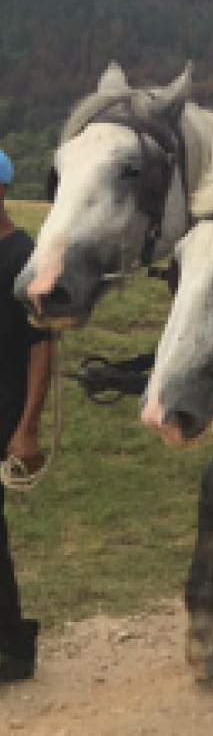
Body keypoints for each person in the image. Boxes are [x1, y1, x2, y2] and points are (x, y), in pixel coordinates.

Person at [0, 147, 53, 683]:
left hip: (5, 405)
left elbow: (42, 346)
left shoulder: (24, 257)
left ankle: (13, 647)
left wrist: (27, 427)